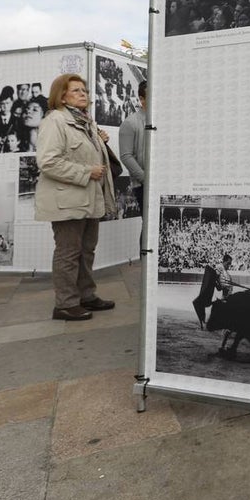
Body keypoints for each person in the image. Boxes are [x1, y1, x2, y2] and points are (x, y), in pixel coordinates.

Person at [35, 73, 117, 321]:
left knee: (86, 251)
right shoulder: (56, 121)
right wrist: (86, 172)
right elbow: (47, 162)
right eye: (76, 91)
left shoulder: (85, 122)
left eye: (85, 90)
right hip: (68, 200)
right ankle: (65, 304)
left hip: (89, 198)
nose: (84, 94)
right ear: (62, 96)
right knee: (68, 253)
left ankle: (86, 296)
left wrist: (100, 143)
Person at [119, 80, 148, 249]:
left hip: (162, 184)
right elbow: (126, 156)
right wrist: (145, 179)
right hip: (143, 185)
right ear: (141, 99)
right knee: (149, 225)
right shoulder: (130, 123)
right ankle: (145, 266)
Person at [192, 253, 234, 328]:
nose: (229, 266)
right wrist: (221, 286)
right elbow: (214, 279)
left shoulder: (224, 269)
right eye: (228, 263)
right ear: (224, 261)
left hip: (226, 293)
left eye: (230, 264)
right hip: (222, 293)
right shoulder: (220, 268)